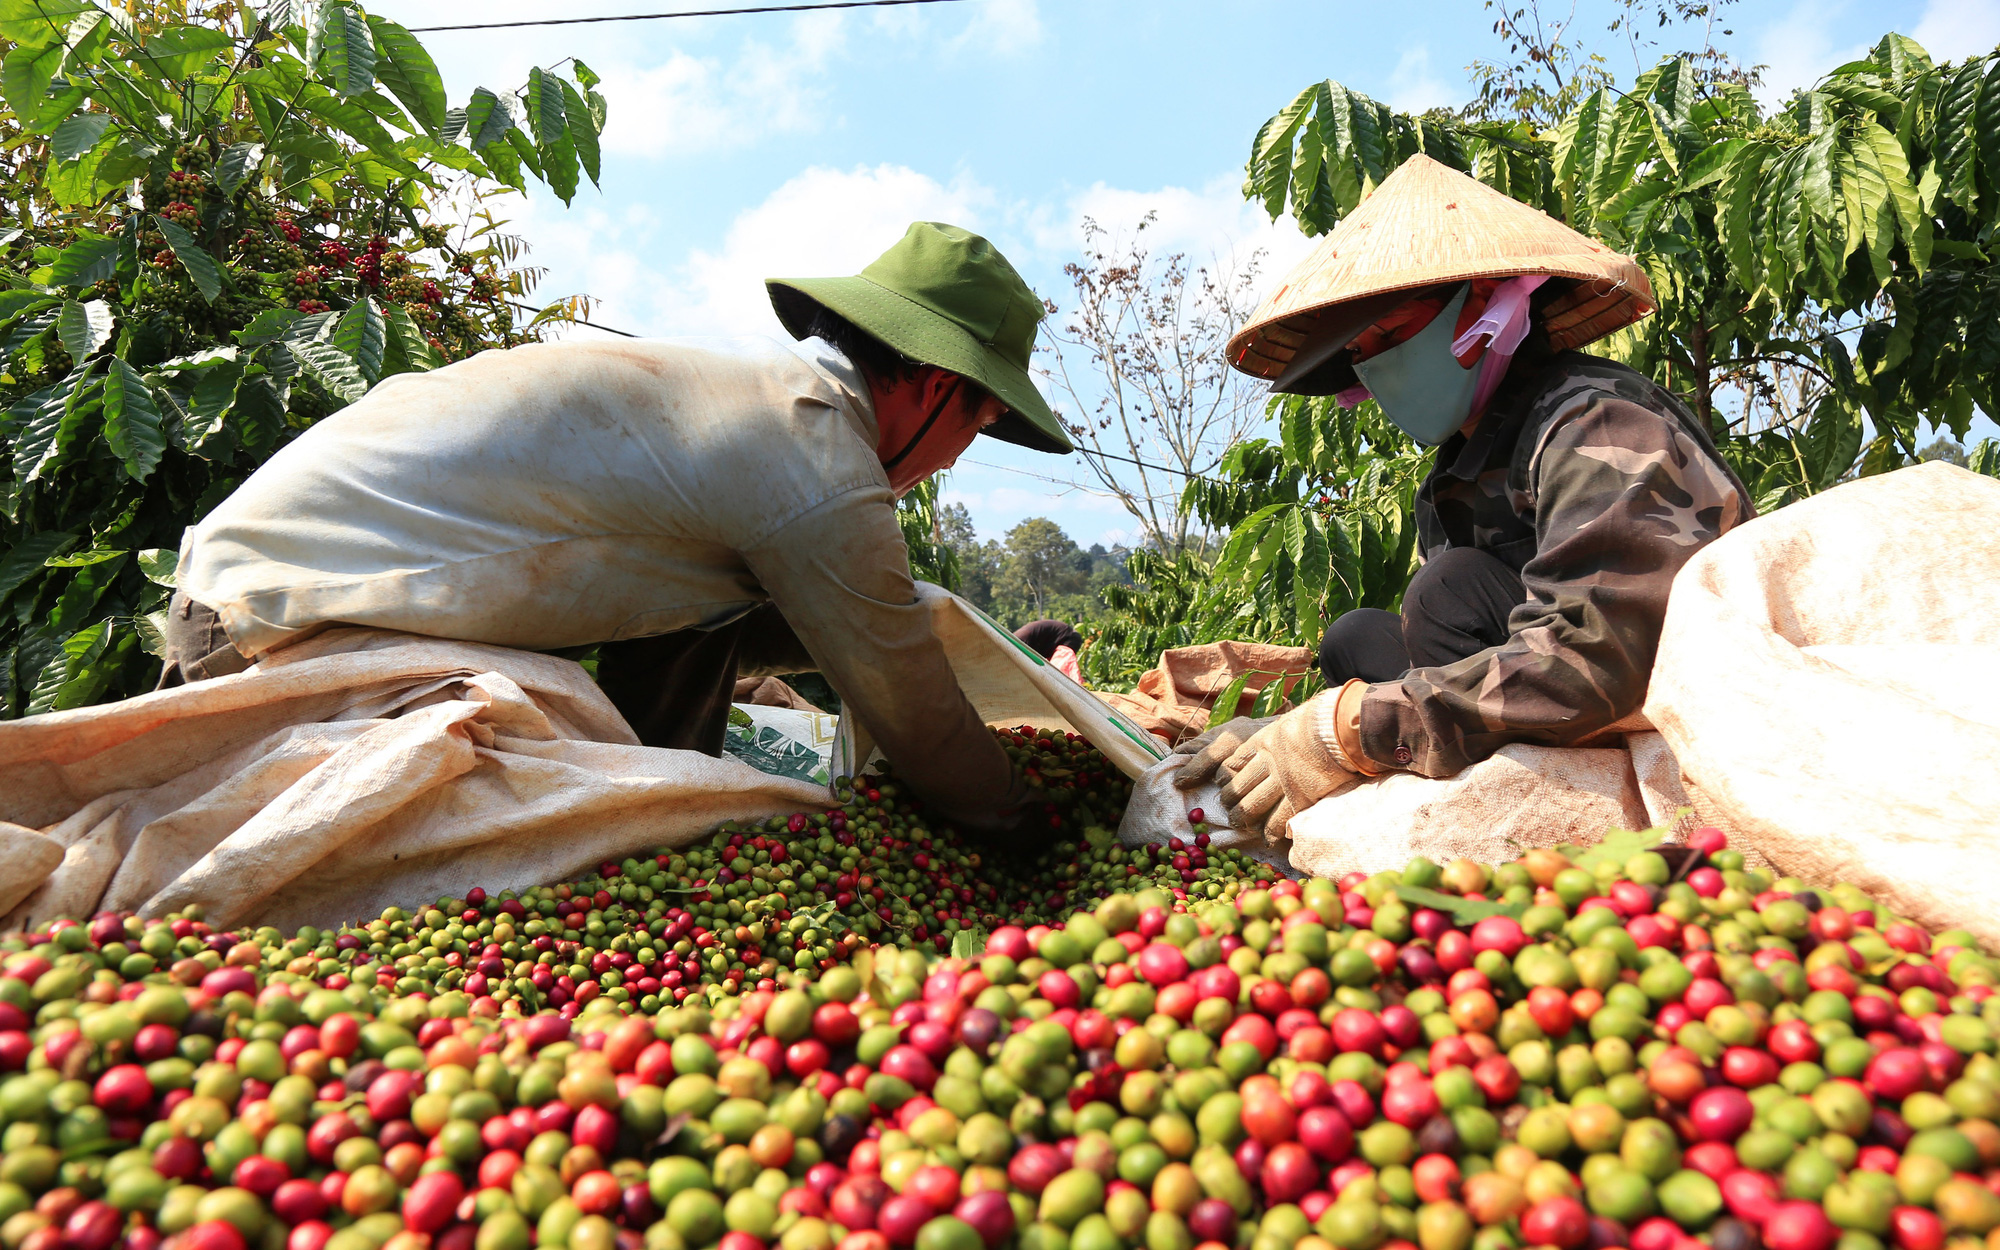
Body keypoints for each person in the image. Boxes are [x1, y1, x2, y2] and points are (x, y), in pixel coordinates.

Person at [165, 222, 1074, 838]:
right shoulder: (811, 453)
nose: (957, 456)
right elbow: (910, 712)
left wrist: (960, 648)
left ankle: (659, 819)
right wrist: (1043, 824)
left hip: (253, 585)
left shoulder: (750, 412)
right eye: (980, 424)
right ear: (938, 385)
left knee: (698, 624)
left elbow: (777, 621)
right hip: (278, 625)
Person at [1178, 156, 1753, 841]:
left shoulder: (1595, 424)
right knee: (1356, 638)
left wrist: (1357, 728)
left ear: (1483, 298)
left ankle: (1530, 813)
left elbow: (1600, 654)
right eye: (1363, 352)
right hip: (1538, 690)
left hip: (1644, 694)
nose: (1380, 366)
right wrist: (1287, 730)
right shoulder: (1456, 472)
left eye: (1393, 336)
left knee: (1443, 591)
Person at [1012, 619, 1084, 682]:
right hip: (1052, 644)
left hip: (1068, 638)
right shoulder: (1014, 641)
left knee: (1058, 675)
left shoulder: (1019, 643)